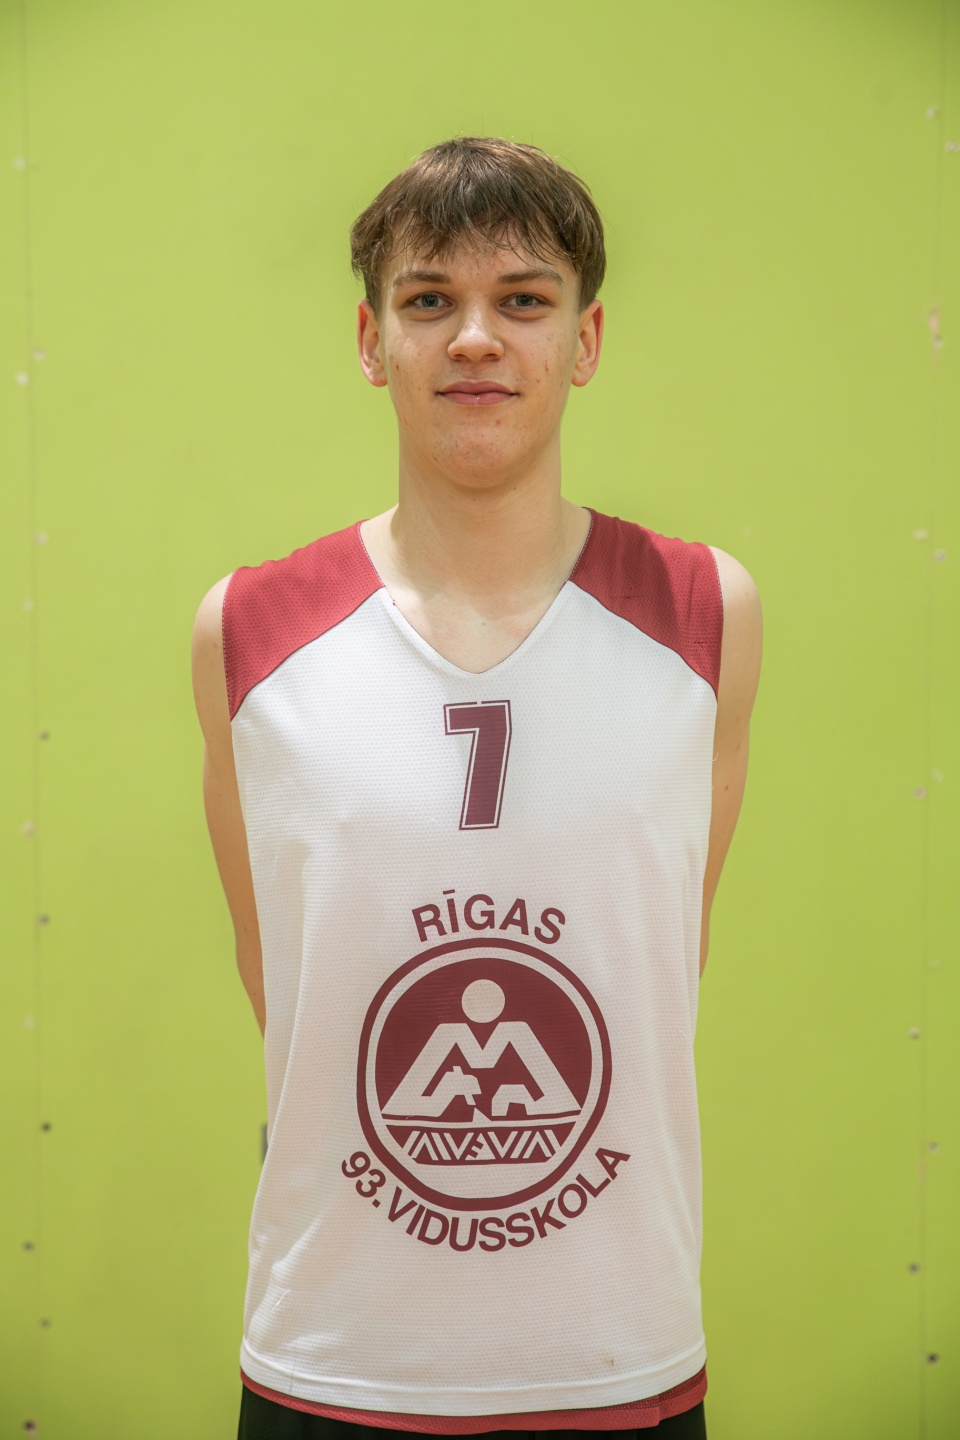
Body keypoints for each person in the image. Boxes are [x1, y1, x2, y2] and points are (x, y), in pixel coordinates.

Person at [191, 136, 762, 1440]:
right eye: (429, 299)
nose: (474, 338)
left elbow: (663, 954)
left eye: (523, 299)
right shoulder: (248, 632)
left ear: (586, 338)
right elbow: (288, 990)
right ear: (371, 338)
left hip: (619, 1354)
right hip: (333, 1354)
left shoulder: (705, 614)